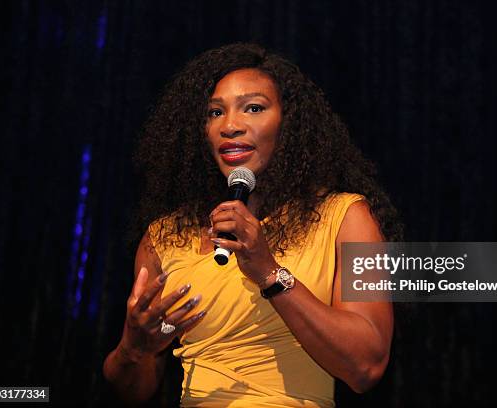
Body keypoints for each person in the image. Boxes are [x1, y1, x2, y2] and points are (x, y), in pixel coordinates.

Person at [103, 43, 403, 407]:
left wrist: (269, 271)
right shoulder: (165, 237)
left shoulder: (345, 217)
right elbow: (132, 392)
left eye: (254, 108)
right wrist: (132, 350)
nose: (230, 126)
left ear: (289, 123)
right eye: (215, 112)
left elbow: (366, 367)